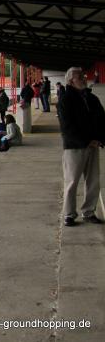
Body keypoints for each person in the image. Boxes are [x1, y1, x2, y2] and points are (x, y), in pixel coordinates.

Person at [58, 67, 105, 226]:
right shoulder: (65, 99)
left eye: (84, 76)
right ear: (71, 81)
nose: (84, 79)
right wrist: (86, 141)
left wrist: (99, 139)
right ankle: (69, 214)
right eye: (80, 77)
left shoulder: (91, 98)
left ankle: (89, 212)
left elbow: (102, 120)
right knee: (71, 182)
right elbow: (67, 127)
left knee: (93, 181)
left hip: (93, 145)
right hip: (74, 147)